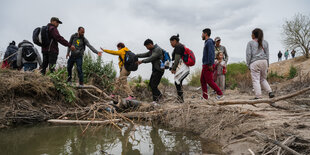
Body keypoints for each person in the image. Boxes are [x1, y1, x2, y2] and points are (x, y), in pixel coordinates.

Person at [246, 28, 275, 100]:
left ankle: (258, 96)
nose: (251, 35)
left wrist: (248, 64)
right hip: (264, 61)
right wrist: (267, 64)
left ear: (254, 35)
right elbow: (267, 53)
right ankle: (270, 92)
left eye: (252, 34)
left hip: (255, 62)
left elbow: (248, 54)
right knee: (263, 79)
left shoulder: (250, 43)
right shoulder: (265, 42)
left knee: (256, 80)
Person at [136, 39, 164, 103]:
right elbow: (144, 54)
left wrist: (142, 61)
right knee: (151, 84)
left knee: (154, 85)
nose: (146, 48)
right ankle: (158, 99)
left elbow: (151, 58)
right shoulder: (152, 50)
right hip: (155, 70)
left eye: (147, 46)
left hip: (159, 70)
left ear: (150, 44)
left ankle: (157, 100)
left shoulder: (157, 49)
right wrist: (135, 55)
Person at [200, 28, 223, 100]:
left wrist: (210, 64)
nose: (201, 35)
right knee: (202, 80)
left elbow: (211, 53)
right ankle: (205, 96)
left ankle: (220, 93)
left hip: (208, 64)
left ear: (205, 34)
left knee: (209, 81)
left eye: (202, 34)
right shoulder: (207, 42)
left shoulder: (209, 42)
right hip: (205, 64)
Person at [169, 34, 190, 103]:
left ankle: (181, 100)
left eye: (171, 42)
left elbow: (177, 58)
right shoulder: (181, 46)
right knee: (178, 82)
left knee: (177, 82)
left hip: (183, 68)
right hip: (183, 68)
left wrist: (173, 68)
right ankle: (180, 99)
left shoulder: (178, 46)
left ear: (174, 41)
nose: (171, 44)